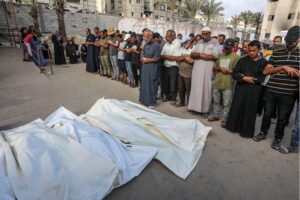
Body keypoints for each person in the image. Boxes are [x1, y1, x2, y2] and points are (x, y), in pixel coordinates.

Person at [253, 26, 300, 150]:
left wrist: (294, 72)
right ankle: (263, 133)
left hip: (289, 93)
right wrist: (282, 67)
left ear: (298, 40)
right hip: (271, 90)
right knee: (267, 113)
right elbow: (265, 71)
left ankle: (278, 138)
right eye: (288, 41)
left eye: (292, 42)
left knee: (283, 118)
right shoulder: (277, 52)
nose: (289, 44)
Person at [226, 40, 267, 138]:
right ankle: (233, 127)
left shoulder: (263, 62)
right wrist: (243, 78)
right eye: (250, 51)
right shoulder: (242, 60)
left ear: (259, 50)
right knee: (237, 107)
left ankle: (246, 131)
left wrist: (251, 79)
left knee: (249, 110)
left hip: (254, 90)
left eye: (254, 51)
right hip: (241, 88)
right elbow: (235, 73)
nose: (251, 53)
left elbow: (262, 78)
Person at [208, 38, 240, 127]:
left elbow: (237, 71)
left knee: (226, 103)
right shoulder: (220, 55)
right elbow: (215, 67)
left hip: (228, 83)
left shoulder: (236, 57)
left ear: (233, 47)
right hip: (217, 81)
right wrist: (219, 69)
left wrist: (228, 71)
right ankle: (216, 115)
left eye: (228, 48)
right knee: (216, 101)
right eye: (225, 47)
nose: (226, 49)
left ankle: (224, 119)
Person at [188, 27, 219, 118]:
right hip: (197, 69)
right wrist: (201, 55)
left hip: (207, 70)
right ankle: (195, 108)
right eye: (203, 33)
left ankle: (205, 111)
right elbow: (192, 54)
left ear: (210, 33)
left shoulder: (215, 42)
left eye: (206, 33)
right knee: (196, 88)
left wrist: (199, 55)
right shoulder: (199, 42)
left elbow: (214, 56)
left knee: (206, 89)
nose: (205, 35)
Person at [139, 30, 161, 108]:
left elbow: (157, 58)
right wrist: (142, 59)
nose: (144, 39)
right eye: (143, 37)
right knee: (144, 83)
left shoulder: (156, 46)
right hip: (145, 67)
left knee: (151, 85)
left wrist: (148, 60)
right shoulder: (145, 44)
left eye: (146, 37)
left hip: (152, 67)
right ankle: (143, 100)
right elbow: (143, 55)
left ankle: (152, 102)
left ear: (151, 37)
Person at [173, 35, 194, 107]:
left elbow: (191, 61)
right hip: (181, 72)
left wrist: (182, 57)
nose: (184, 44)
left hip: (189, 74)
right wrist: (185, 57)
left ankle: (189, 104)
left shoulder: (193, 49)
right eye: (183, 43)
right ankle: (181, 102)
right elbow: (177, 58)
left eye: (185, 42)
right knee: (181, 88)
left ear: (189, 41)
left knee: (189, 90)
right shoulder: (182, 48)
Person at [161, 29, 181, 104]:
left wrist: (166, 56)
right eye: (166, 36)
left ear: (173, 36)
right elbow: (162, 55)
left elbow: (175, 57)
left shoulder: (177, 43)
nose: (166, 37)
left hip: (173, 67)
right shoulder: (166, 44)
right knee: (166, 84)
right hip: (166, 66)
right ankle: (167, 97)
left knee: (173, 84)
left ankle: (173, 98)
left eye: (168, 36)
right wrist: (168, 56)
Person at [153, 32, 165, 100]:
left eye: (156, 39)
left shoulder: (163, 43)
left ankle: (162, 95)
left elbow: (162, 54)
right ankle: (157, 94)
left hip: (161, 64)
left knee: (161, 80)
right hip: (156, 64)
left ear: (159, 37)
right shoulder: (156, 43)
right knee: (156, 80)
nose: (155, 40)